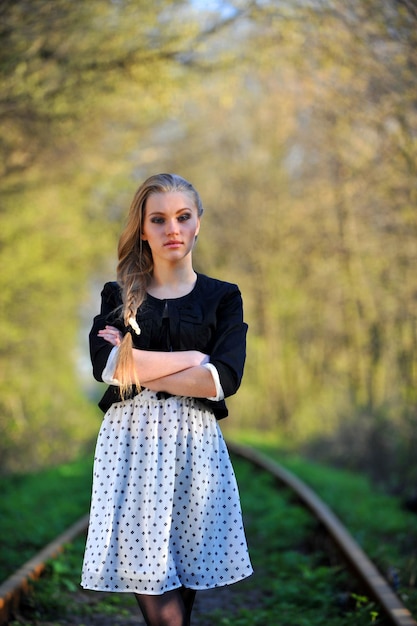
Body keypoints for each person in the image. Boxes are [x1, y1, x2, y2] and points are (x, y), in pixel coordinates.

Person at [81, 173, 253, 626]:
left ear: (198, 224)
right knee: (168, 618)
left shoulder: (223, 297)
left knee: (184, 595)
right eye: (158, 219)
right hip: (131, 449)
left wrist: (141, 365)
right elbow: (108, 368)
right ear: (142, 229)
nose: (171, 229)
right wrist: (193, 359)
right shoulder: (118, 295)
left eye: (182, 217)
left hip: (195, 451)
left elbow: (222, 380)